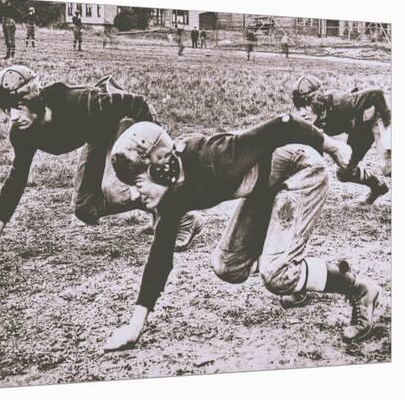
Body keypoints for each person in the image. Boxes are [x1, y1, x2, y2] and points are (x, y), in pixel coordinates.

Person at [104, 115, 381, 351]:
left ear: (160, 165)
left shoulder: (213, 157)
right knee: (228, 266)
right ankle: (296, 279)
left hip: (301, 171)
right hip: (266, 185)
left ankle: (357, 288)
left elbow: (283, 124)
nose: (134, 192)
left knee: (276, 273)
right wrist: (134, 326)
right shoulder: (172, 195)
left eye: (137, 181)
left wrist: (331, 146)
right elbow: (160, 257)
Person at [0, 65, 204, 268]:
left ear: (33, 99)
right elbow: (16, 181)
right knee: (84, 207)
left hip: (128, 121)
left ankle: (181, 214)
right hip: (99, 135)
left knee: (115, 188)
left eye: (18, 107)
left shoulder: (81, 101)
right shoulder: (23, 133)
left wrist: (155, 154)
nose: (13, 117)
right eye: (7, 110)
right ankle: (158, 210)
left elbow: (136, 104)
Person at [292, 75, 391, 205]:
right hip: (359, 129)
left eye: (306, 105)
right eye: (299, 107)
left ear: (318, 102)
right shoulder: (311, 125)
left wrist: (389, 128)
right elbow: (316, 161)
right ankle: (377, 186)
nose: (302, 113)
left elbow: (376, 94)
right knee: (345, 172)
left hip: (375, 114)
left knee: (389, 165)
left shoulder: (340, 101)